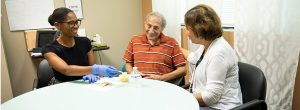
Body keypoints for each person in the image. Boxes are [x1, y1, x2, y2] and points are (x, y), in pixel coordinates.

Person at [180, 4, 242, 109]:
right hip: (207, 104)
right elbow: (195, 58)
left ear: (200, 29)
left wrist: (184, 98)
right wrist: (175, 47)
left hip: (220, 107)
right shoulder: (208, 44)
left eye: (188, 29)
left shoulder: (219, 52)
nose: (187, 33)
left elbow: (211, 97)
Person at [42, 7, 118, 84]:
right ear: (57, 25)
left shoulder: (85, 42)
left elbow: (92, 65)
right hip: (62, 85)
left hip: (84, 82)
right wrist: (97, 69)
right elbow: (66, 70)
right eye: (71, 23)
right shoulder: (49, 49)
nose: (76, 26)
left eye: (77, 22)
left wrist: (92, 73)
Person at [123, 12, 186, 84]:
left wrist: (162, 78)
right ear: (145, 24)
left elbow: (183, 70)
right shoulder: (134, 40)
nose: (151, 31)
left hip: (162, 87)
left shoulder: (172, 43)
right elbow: (128, 63)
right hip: (139, 84)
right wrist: (134, 74)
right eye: (149, 26)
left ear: (162, 29)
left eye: (156, 28)